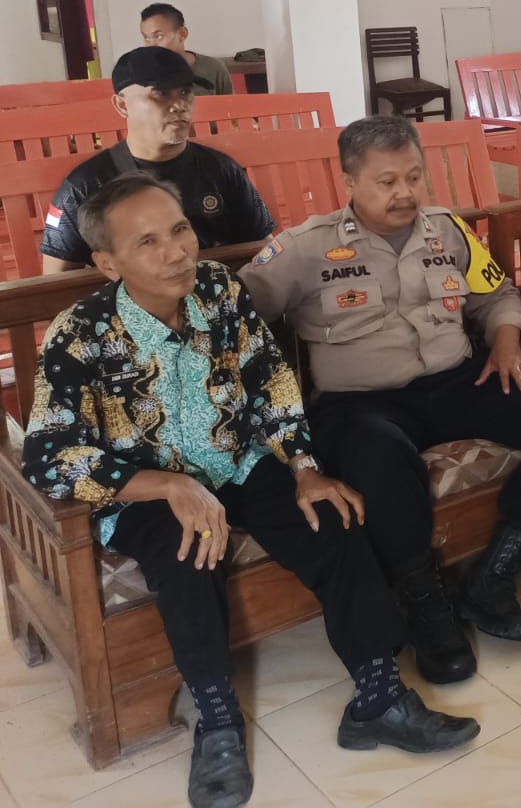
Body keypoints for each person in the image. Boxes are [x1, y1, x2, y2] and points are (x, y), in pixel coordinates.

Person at [22, 174, 478, 808]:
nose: (176, 252)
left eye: (180, 229)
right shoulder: (80, 333)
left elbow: (271, 380)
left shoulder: (219, 290)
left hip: (235, 461)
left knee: (333, 518)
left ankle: (379, 698)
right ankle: (218, 724)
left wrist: (305, 466)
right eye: (148, 242)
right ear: (108, 263)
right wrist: (166, 484)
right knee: (187, 553)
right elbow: (47, 454)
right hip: (144, 486)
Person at [240, 115, 521, 686]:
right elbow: (234, 316)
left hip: (454, 381)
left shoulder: (447, 230)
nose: (405, 192)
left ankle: (495, 573)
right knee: (379, 456)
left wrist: (506, 340)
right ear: (349, 182)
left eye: (413, 176)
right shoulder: (304, 247)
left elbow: (496, 292)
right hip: (360, 402)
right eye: (387, 181)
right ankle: (427, 606)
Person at [41, 46, 275, 274]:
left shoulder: (221, 169)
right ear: (122, 105)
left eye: (185, 93)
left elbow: (265, 252)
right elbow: (55, 285)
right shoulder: (84, 187)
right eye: (161, 93)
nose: (179, 106)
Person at [140, 3, 234, 95]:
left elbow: (230, 103)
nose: (151, 45)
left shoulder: (214, 68)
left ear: (182, 34)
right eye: (146, 37)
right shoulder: (141, 73)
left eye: (159, 36)